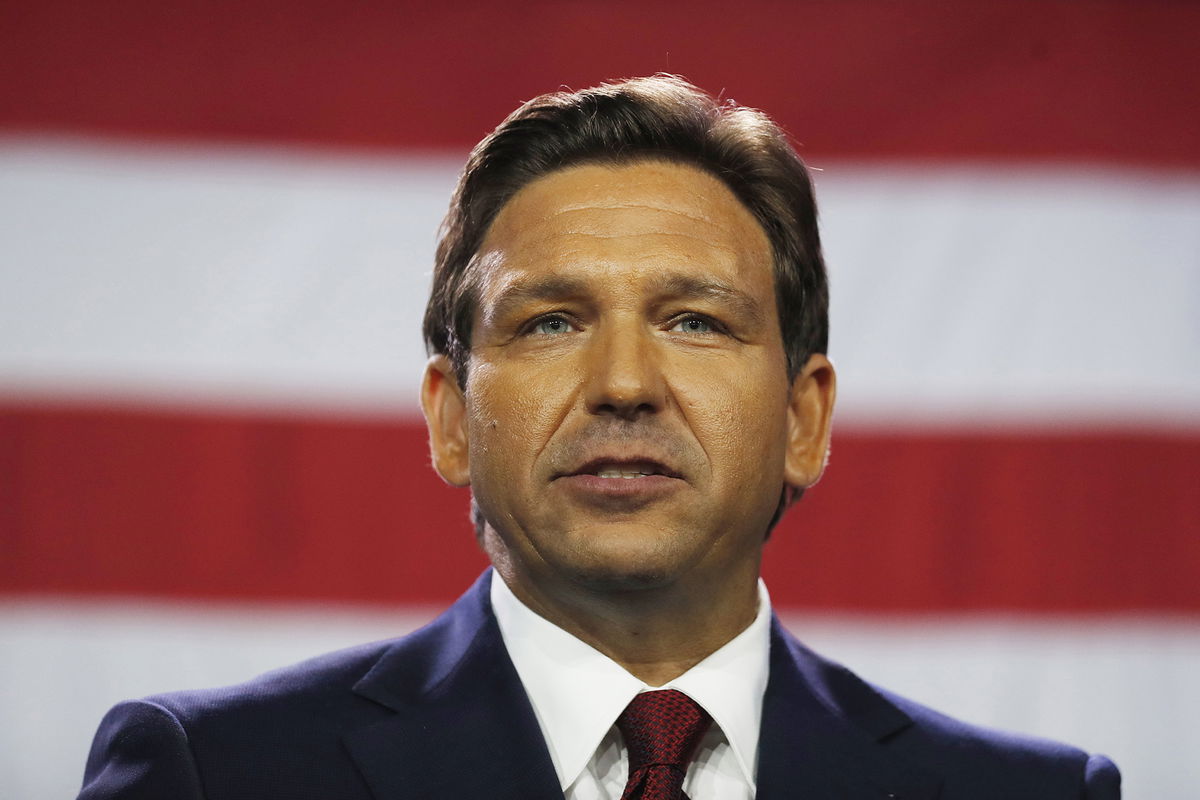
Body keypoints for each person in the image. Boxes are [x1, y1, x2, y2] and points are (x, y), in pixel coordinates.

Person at [78, 75, 1121, 799]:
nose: (624, 383)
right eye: (552, 322)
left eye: (695, 320)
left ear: (805, 420)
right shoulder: (216, 773)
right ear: (450, 417)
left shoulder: (1035, 792)